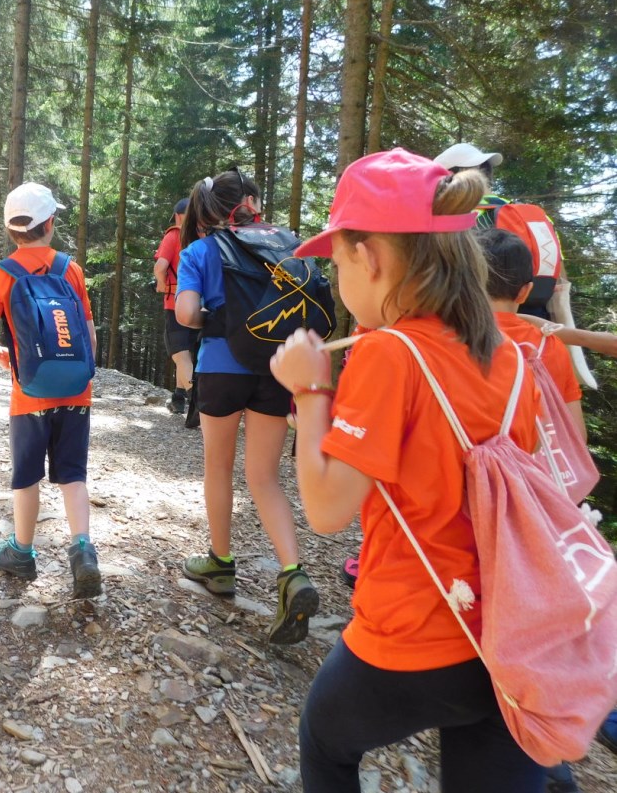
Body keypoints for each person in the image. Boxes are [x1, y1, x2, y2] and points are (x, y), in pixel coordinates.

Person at [270, 148, 544, 791]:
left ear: (369, 257)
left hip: (415, 629)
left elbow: (328, 508)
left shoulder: (389, 353)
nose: (338, 278)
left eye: (337, 262)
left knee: (325, 741)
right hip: (506, 634)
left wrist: (312, 393)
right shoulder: (508, 357)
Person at [174, 168, 319, 645]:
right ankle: (293, 572)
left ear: (210, 211)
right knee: (264, 476)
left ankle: (220, 563)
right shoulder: (284, 244)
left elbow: (187, 314)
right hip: (277, 368)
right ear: (252, 202)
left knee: (218, 468)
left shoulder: (199, 250)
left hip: (221, 364)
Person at [0, 182, 102, 599]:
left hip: (28, 393)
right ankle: (82, 549)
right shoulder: (72, 269)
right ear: (49, 224)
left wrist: (9, 364)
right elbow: (88, 334)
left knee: (26, 476)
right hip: (76, 393)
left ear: (12, 229)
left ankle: (22, 552)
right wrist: (84, 375)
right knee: (73, 475)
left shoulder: (1, 273)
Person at [478, 228, 586, 442]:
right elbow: (577, 437)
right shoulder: (551, 345)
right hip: (541, 472)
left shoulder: (448, 339)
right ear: (525, 291)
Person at [154, 197, 195, 416]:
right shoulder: (206, 237)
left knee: (180, 353)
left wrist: (161, 283)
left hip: (176, 302)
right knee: (188, 351)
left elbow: (161, 266)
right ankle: (178, 397)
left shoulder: (174, 235)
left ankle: (196, 401)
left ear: (179, 216)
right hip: (202, 304)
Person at [432, 142, 507, 225]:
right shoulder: (509, 207)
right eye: (479, 168)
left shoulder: (437, 220)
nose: (484, 173)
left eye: (484, 167)